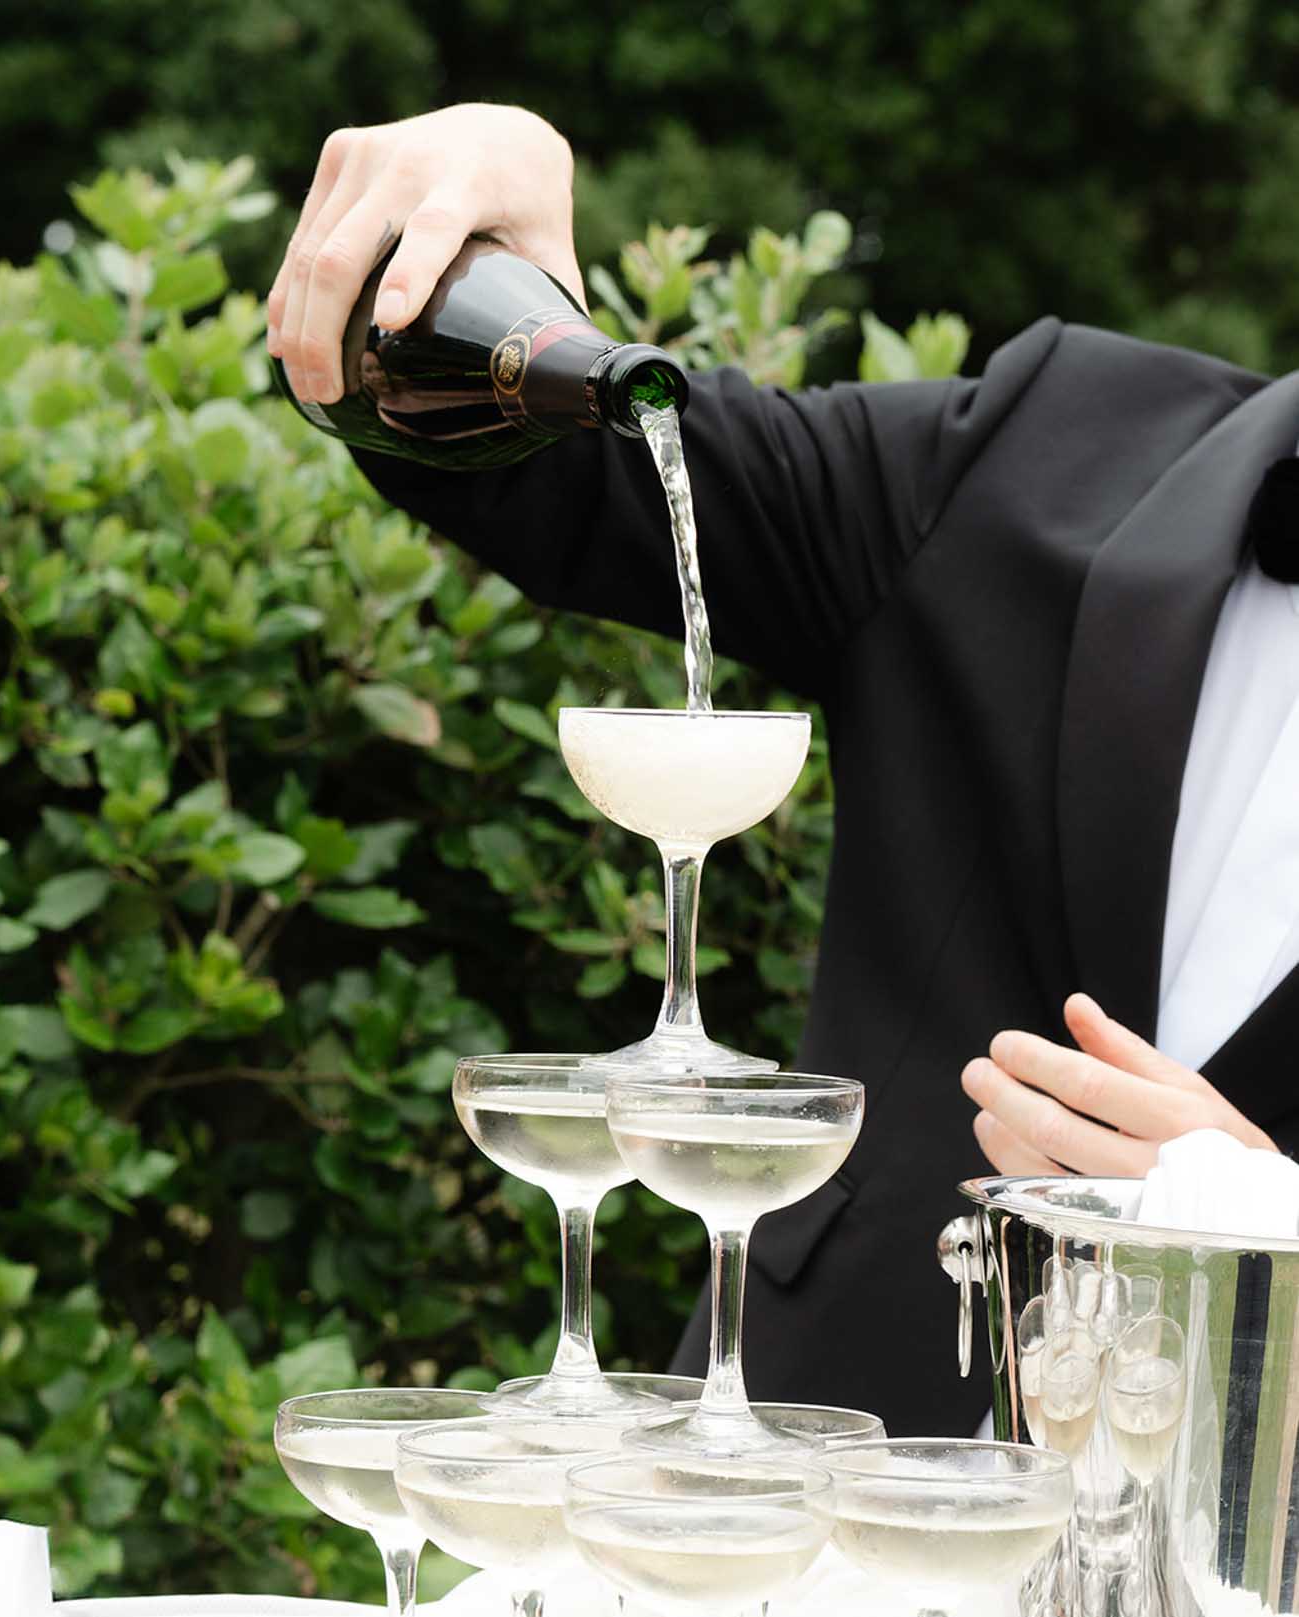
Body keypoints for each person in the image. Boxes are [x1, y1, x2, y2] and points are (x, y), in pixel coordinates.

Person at [268, 106, 1291, 1435]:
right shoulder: (1037, 450)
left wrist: (1260, 1228)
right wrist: (452, 225)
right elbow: (572, 481)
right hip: (795, 1500)